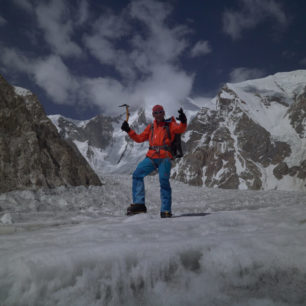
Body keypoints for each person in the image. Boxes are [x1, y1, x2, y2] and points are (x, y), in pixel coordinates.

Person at [121, 105, 187, 218]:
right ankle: (139, 204)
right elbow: (139, 138)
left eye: (160, 112)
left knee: (163, 182)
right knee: (137, 174)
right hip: (151, 157)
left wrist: (183, 121)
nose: (158, 114)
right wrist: (129, 130)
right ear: (153, 115)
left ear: (163, 113)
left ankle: (165, 210)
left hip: (164, 158)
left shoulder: (170, 125)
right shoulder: (151, 127)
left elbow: (180, 129)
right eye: (155, 112)